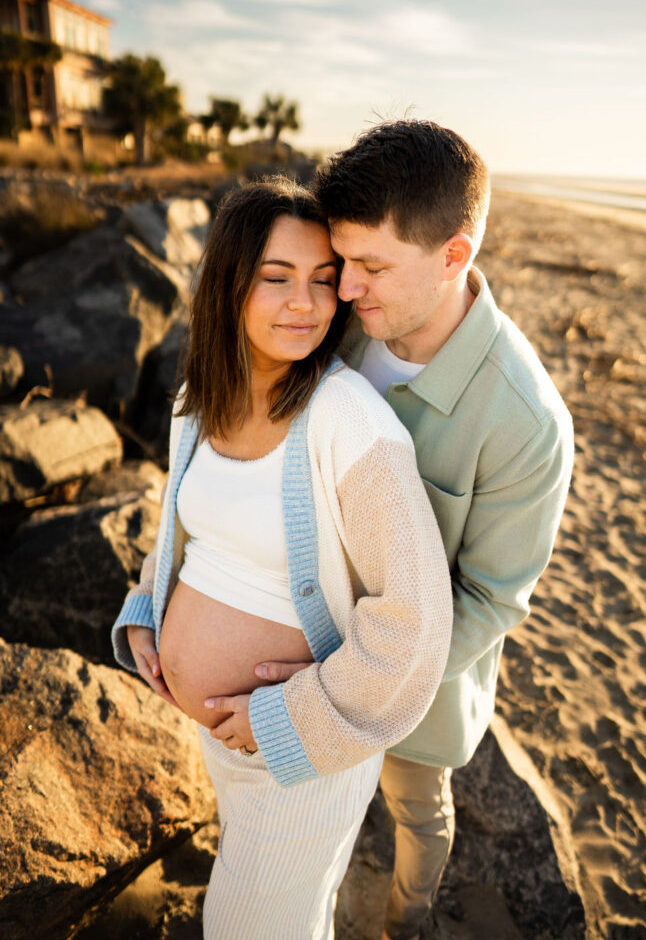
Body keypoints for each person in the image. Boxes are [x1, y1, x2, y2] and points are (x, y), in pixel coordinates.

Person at [248, 122, 574, 940]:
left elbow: (492, 600)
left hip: (412, 691)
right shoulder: (342, 324)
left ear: (454, 255)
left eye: (370, 267)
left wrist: (356, 681)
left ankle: (408, 915)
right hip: (289, 642)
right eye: (339, 261)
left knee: (416, 810)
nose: (343, 289)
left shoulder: (528, 424)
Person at [111, 176, 453, 940]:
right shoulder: (197, 396)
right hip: (221, 738)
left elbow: (417, 620)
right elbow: (185, 529)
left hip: (300, 757)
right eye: (276, 279)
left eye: (323, 282)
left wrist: (289, 719)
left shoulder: (347, 423)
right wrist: (147, 608)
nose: (305, 302)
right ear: (230, 284)